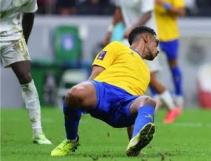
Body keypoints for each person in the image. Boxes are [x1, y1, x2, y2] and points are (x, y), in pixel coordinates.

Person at [51, 26, 159, 157]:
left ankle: (136, 142)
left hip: (124, 105)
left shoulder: (147, 72)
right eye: (156, 43)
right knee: (73, 92)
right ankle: (71, 140)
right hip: (103, 92)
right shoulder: (117, 47)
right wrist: (84, 98)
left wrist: (133, 143)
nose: (157, 50)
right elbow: (96, 73)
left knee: (148, 101)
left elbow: (136, 106)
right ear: (146, 38)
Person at [104, 0, 181, 124]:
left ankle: (172, 106)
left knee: (150, 78)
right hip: (130, 39)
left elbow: (147, 13)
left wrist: (131, 27)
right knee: (127, 72)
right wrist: (110, 30)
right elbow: (118, 10)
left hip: (147, 38)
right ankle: (131, 106)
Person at [0, 0, 52, 145]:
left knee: (26, 77)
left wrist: (24, 41)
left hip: (12, 34)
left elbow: (29, 16)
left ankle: (38, 133)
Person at [151, 0, 186, 108]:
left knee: (173, 65)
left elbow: (181, 11)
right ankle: (156, 97)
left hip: (170, 34)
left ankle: (178, 96)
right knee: (150, 69)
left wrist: (163, 4)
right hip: (153, 36)